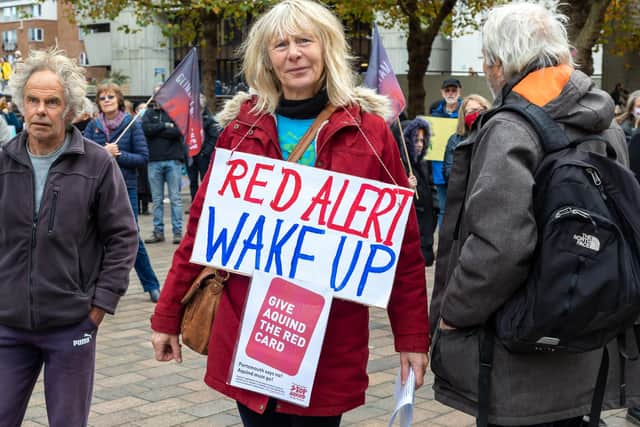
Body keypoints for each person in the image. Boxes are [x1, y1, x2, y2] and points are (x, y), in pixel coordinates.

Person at [150, 1, 430, 425]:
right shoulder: (240, 131)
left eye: (304, 40)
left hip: (329, 338)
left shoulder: (370, 133)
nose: (294, 53)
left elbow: (404, 248)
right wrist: (167, 315)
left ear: (327, 48)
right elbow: (200, 228)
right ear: (267, 59)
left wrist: (411, 338)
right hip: (249, 329)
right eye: (280, 45)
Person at [429, 3, 637, 426]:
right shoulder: (606, 124)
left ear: (499, 64)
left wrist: (454, 314)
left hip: (516, 356)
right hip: (587, 336)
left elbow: (500, 245)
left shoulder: (510, 127)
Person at [0, 48, 138, 427]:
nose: (40, 110)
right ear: (21, 104)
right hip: (8, 326)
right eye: (33, 100)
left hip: (71, 324)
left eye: (52, 102)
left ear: (70, 109)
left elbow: (123, 237)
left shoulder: (96, 164)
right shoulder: (4, 160)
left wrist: (99, 306)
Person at [84, 82, 162, 303]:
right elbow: (85, 156)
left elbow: (143, 158)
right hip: (98, 188)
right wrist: (102, 152)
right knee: (97, 237)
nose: (107, 100)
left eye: (110, 97)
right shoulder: (93, 125)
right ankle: (99, 287)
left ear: (118, 100)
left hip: (125, 187)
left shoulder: (131, 124)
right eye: (102, 98)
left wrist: (119, 155)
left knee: (131, 237)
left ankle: (152, 285)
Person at [142, 89, 184, 245]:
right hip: (154, 161)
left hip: (173, 160)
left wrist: (157, 128)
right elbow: (146, 130)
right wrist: (165, 126)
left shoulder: (176, 112)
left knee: (176, 199)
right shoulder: (148, 113)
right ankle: (158, 232)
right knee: (157, 200)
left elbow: (178, 131)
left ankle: (177, 232)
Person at [403, 117, 437, 266]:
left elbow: (431, 188)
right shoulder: (400, 164)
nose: (419, 145)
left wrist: (435, 208)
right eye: (416, 140)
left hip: (426, 231)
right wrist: (406, 186)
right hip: (412, 234)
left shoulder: (423, 163)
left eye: (422, 141)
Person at [429, 78, 462, 228]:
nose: (450, 93)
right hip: (439, 168)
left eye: (454, 90)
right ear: (442, 92)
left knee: (460, 208)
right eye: (447, 90)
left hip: (460, 167)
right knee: (443, 208)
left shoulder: (465, 111)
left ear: (459, 92)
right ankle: (443, 242)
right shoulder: (434, 112)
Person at [442, 94, 490, 182]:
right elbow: (448, 173)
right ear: (463, 116)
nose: (477, 114)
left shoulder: (493, 135)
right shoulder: (455, 140)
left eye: (481, 111)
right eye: (471, 111)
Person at [186, 94, 219, 202]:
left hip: (203, 155)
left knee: (205, 180)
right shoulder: (188, 119)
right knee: (193, 181)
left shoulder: (209, 119)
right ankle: (194, 203)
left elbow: (214, 137)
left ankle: (205, 203)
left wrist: (205, 152)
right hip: (191, 153)